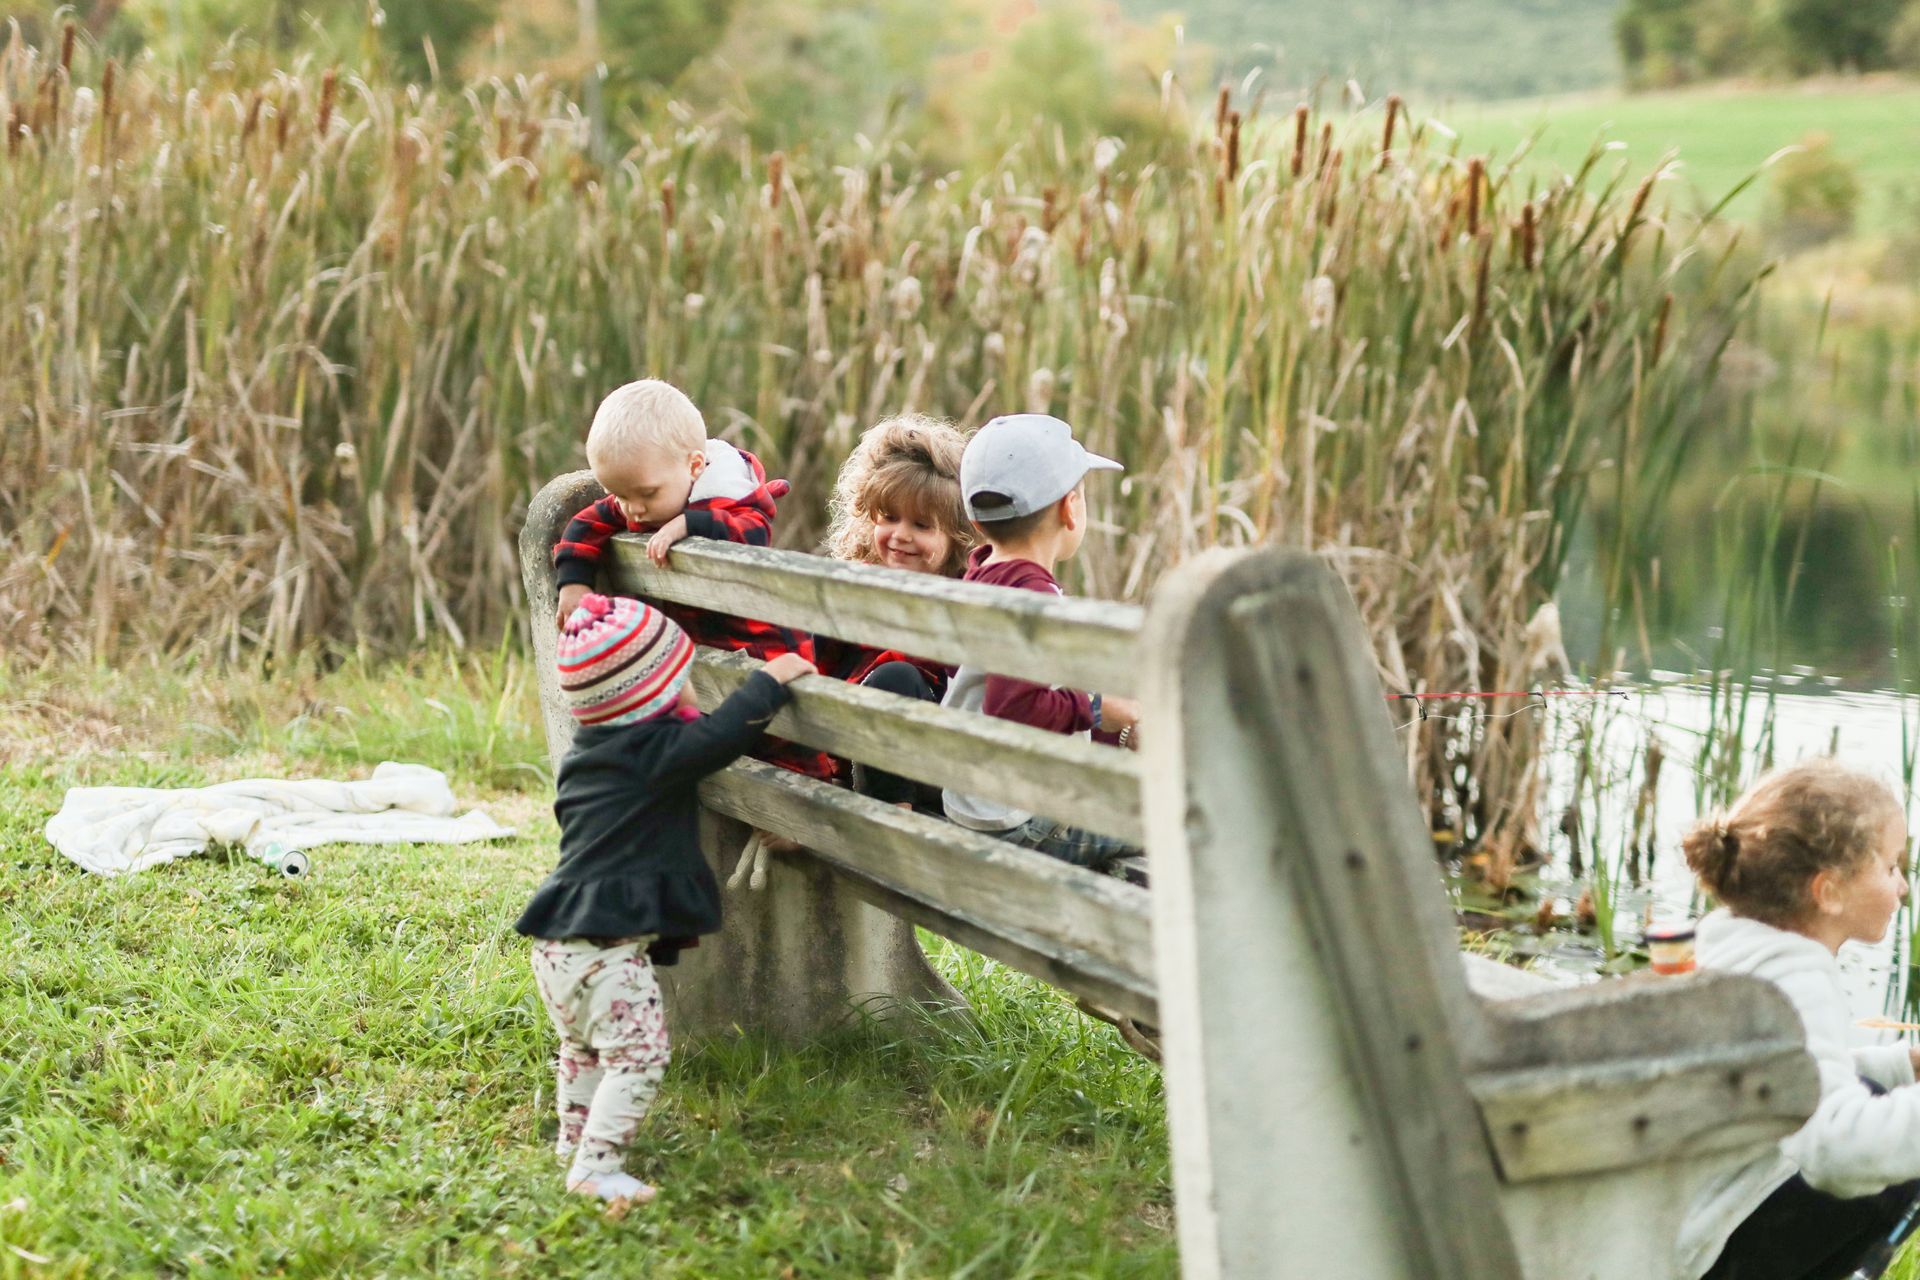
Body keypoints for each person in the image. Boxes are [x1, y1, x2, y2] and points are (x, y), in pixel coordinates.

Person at [515, 592, 814, 1206]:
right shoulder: (655, 755)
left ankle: (573, 1143)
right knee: (641, 1055)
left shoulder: (590, 758)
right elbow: (718, 738)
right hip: (606, 952)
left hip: (557, 946)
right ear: (650, 697)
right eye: (679, 679)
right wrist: (769, 681)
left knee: (583, 1048)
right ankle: (596, 1168)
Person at [1677, 759, 1920, 1280]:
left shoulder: (1737, 941)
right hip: (1704, 1248)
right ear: (1828, 891)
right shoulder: (1793, 976)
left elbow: (1783, 1073)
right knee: (1892, 1165)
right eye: (1890, 867)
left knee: (1880, 1104)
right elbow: (1838, 1152)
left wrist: (1904, 1065)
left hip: (1685, 1206)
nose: (1902, 887)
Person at [549, 378, 830, 782]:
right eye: (620, 495)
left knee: (782, 733)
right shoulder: (641, 492)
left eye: (645, 494)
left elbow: (753, 531)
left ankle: (805, 798)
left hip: (759, 643)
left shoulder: (730, 492)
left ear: (695, 466)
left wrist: (692, 523)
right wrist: (574, 582)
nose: (633, 510)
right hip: (702, 654)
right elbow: (585, 523)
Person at [938, 413, 1140, 870]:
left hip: (973, 803)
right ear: (1071, 508)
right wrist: (1095, 708)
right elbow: (1014, 705)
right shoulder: (1032, 596)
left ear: (975, 515)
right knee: (1179, 820)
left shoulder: (981, 576)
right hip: (1018, 823)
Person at [816, 414, 974, 807]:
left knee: (898, 682)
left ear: (958, 537)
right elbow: (816, 682)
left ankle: (898, 817)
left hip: (939, 768)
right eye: (889, 518)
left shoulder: (967, 604)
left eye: (922, 525)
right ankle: (890, 817)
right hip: (856, 757)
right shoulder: (850, 595)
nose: (901, 535)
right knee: (892, 680)